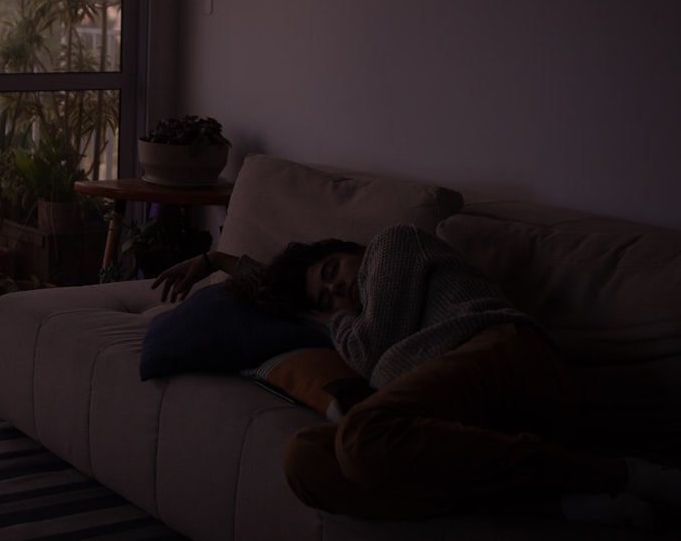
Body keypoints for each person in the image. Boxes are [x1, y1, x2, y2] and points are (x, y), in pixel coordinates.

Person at [152, 224, 681, 530]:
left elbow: (374, 352)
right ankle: (553, 505)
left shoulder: (392, 246)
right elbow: (370, 352)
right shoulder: (352, 320)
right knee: (306, 459)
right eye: (325, 296)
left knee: (360, 436)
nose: (338, 289)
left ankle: (621, 473)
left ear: (353, 249)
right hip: (449, 409)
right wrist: (215, 258)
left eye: (335, 269)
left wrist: (331, 319)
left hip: (504, 354)